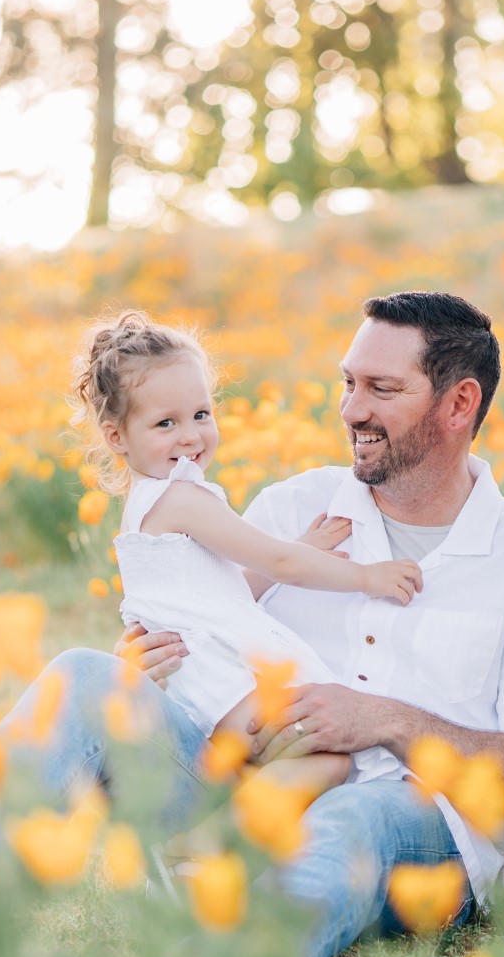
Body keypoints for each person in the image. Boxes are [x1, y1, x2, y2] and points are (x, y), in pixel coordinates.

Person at [0, 292, 504, 957]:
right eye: (348, 382)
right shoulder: (290, 508)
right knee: (82, 676)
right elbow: (216, 617)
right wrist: (146, 667)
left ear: (459, 404)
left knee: (356, 817)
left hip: (410, 831)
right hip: (243, 799)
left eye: (381, 388)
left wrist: (383, 719)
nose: (351, 409)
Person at [69, 310, 423, 796]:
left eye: (201, 414)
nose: (191, 435)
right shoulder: (180, 498)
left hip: (196, 679)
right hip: (219, 677)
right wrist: (367, 577)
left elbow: (223, 587)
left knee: (311, 765)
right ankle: (213, 843)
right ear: (117, 437)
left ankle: (216, 835)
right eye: (165, 423)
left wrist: (301, 546)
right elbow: (276, 563)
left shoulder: (153, 502)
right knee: (329, 759)